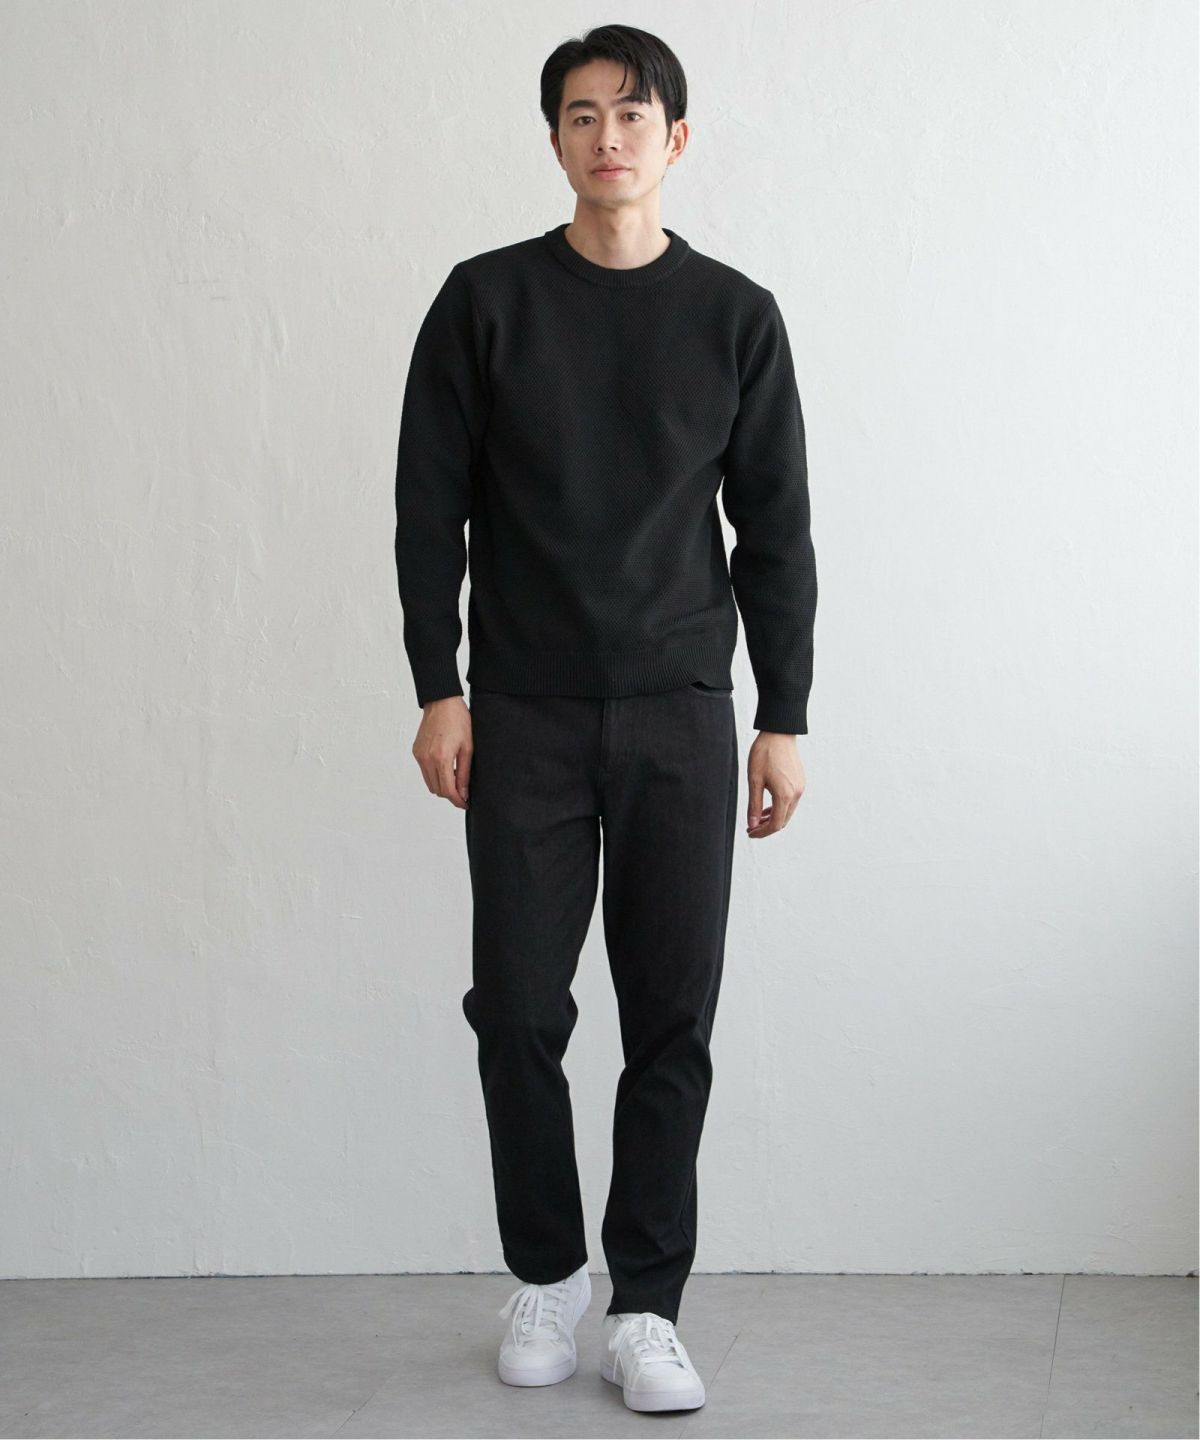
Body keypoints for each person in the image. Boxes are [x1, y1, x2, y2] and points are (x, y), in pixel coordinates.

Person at [394, 22, 817, 1416]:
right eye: (582, 115)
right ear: (555, 140)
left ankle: (646, 1304)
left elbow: (775, 532)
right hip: (522, 713)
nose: (609, 137)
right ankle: (545, 1272)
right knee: (517, 1008)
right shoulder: (486, 303)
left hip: (683, 711)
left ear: (675, 139)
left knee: (671, 1017)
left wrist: (783, 713)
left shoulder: (737, 317)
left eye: (633, 114)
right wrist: (439, 685)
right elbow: (428, 508)